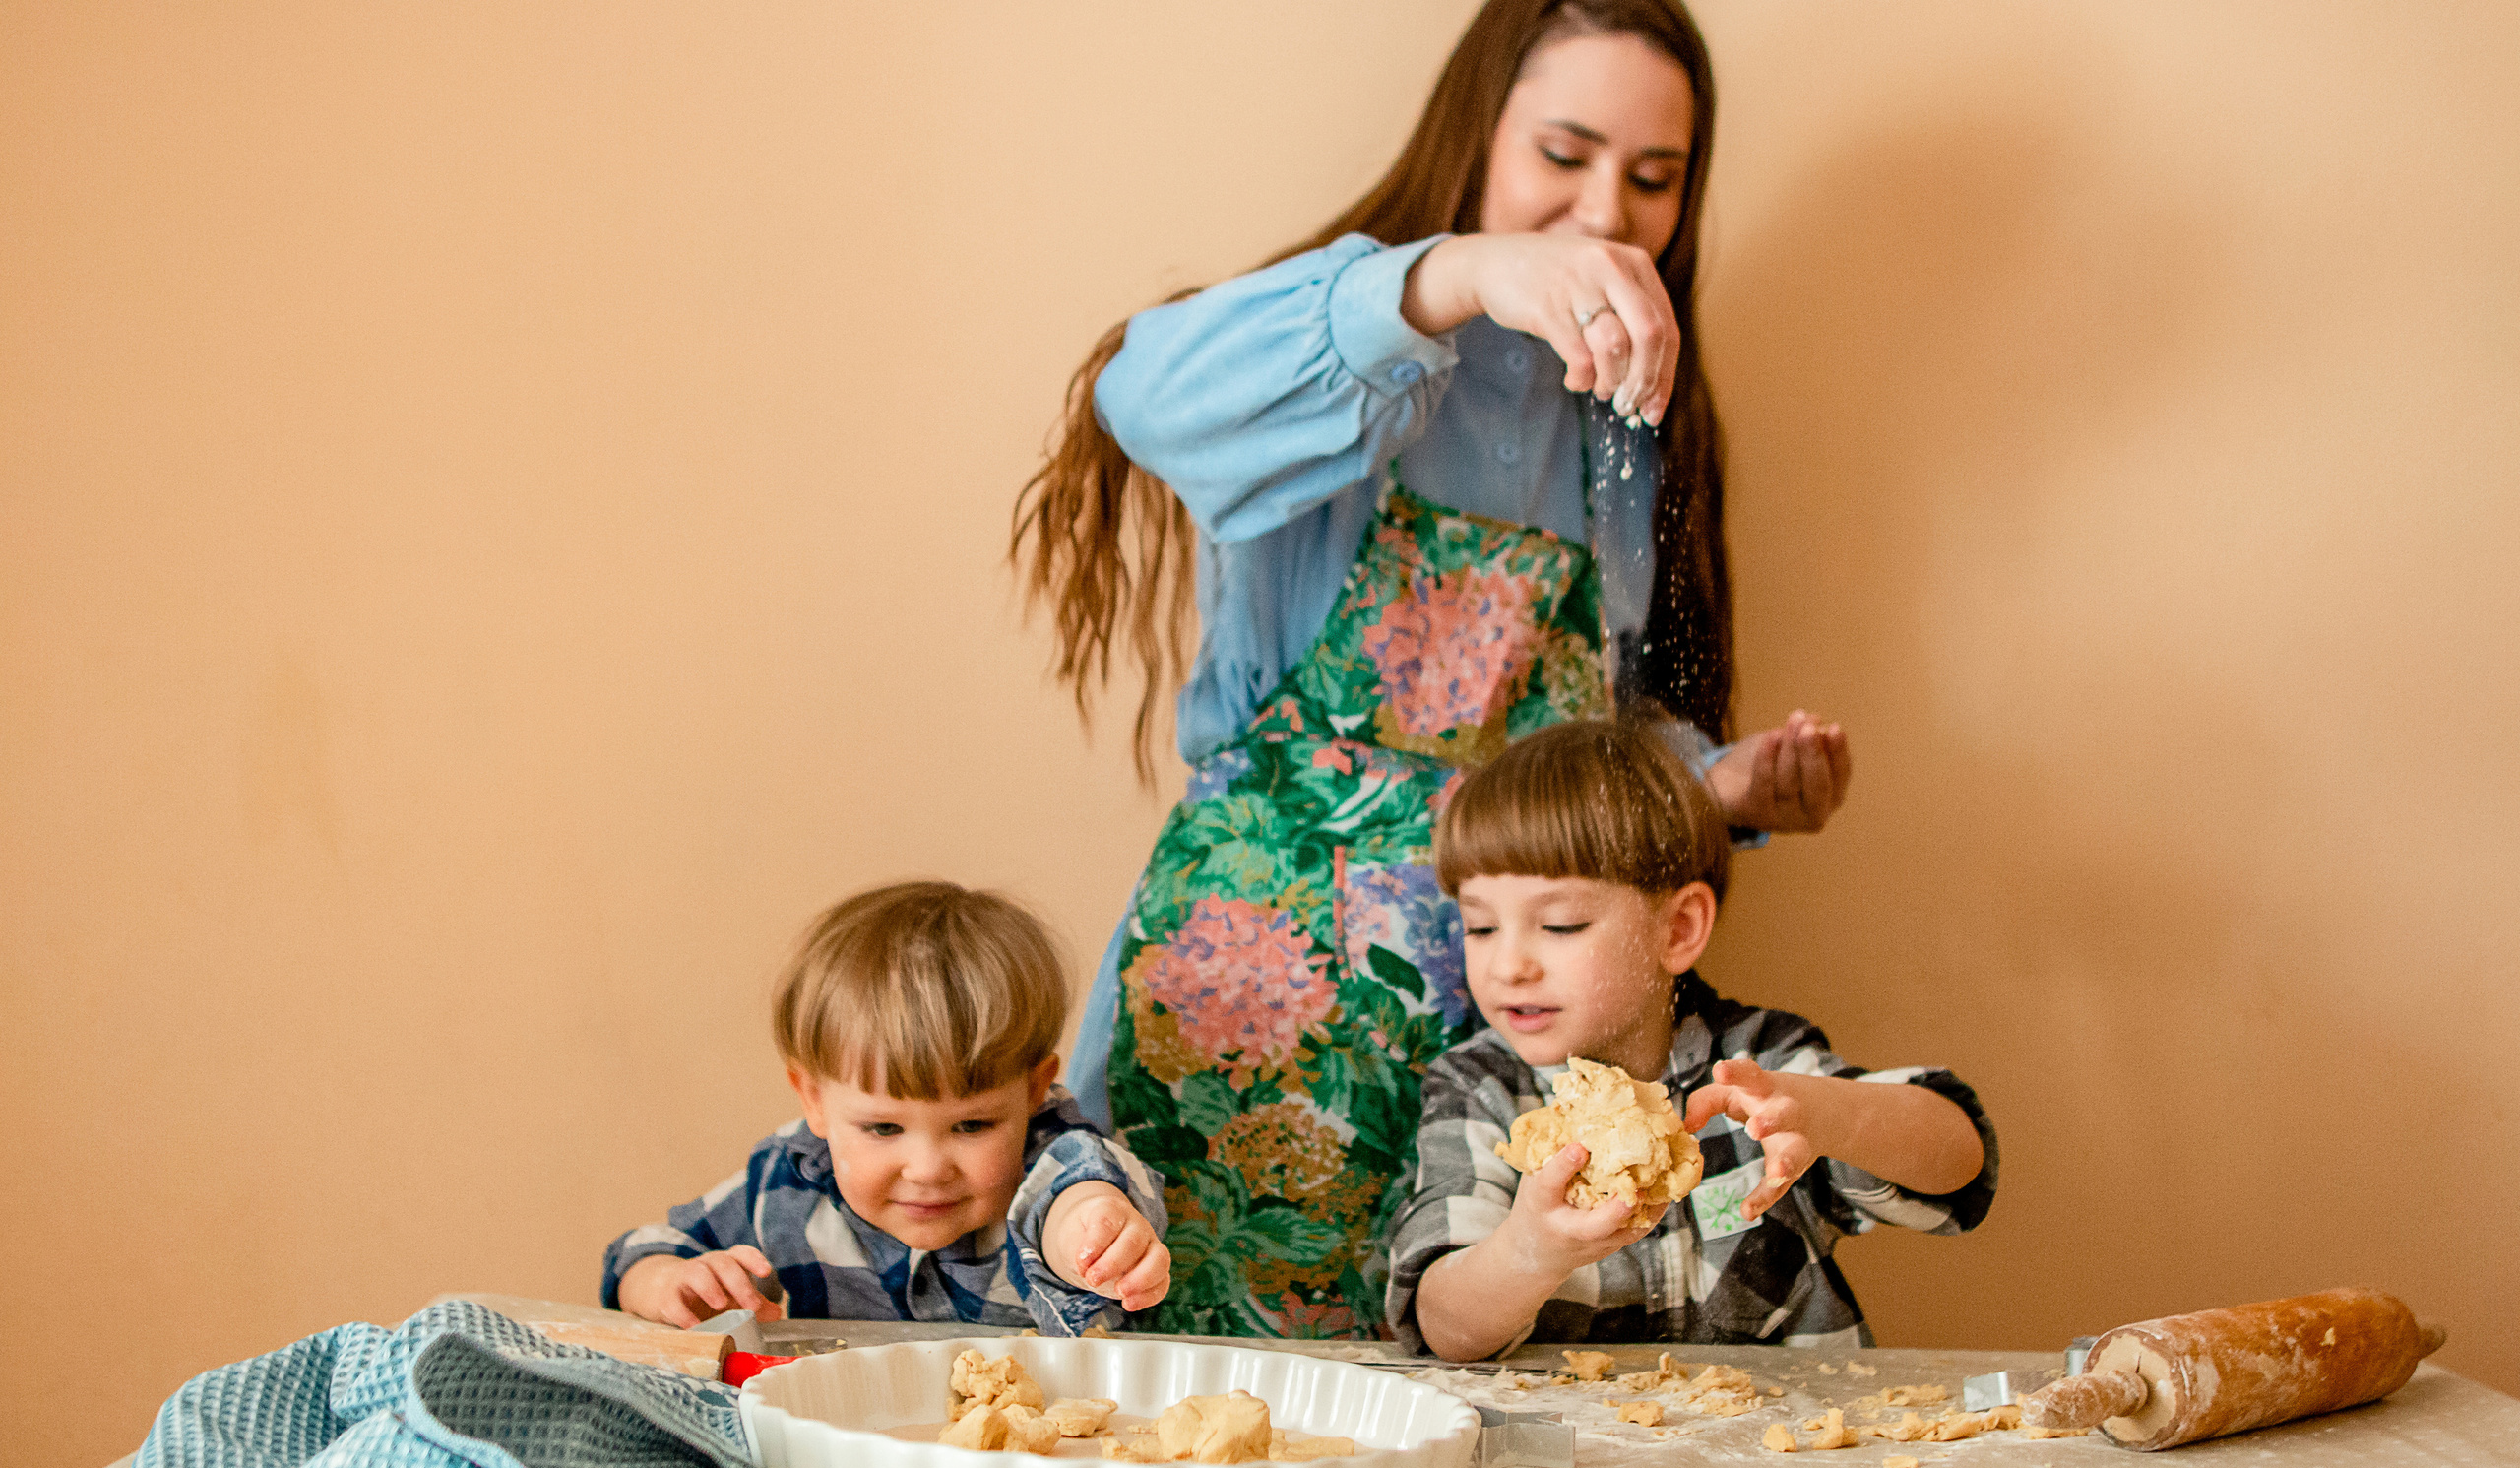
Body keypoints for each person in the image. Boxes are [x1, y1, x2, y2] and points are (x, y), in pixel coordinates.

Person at [1013, 0, 1852, 1339]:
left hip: (1501, 992)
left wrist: (1720, 779)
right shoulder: (1365, 329)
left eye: (1653, 178)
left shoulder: (1634, 416)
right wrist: (1452, 279)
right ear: (1479, 131)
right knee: (1201, 1392)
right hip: (1257, 982)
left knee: (1463, 1391)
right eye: (1563, 155)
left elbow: (1594, 718)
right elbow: (1142, 395)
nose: (1602, 211)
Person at [1388, 718, 1995, 1358]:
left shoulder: (1760, 1064)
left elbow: (1960, 1167)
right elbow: (1442, 1325)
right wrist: (1527, 1252)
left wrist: (1831, 1114)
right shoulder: (1480, 1091)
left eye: (1559, 924)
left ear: (1677, 929)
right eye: (1481, 928)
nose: (1508, 964)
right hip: (1571, 1456)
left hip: (1778, 1445)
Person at [602, 881, 1170, 1335]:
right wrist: (670, 1283)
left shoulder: (1054, 1168)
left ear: (1033, 1091)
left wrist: (1092, 1238)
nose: (926, 1169)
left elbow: (1078, 1194)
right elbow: (640, 1252)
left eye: (972, 1125)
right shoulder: (785, 1187)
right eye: (883, 1127)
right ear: (814, 1101)